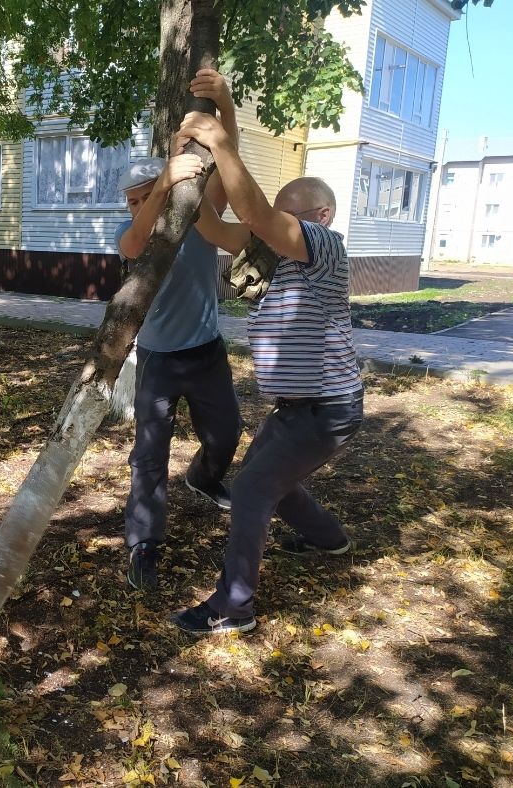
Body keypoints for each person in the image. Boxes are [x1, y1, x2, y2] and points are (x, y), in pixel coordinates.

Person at [169, 109, 364, 635]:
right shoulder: (279, 253)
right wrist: (186, 168)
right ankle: (328, 539)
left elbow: (252, 208)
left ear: (320, 216)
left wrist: (220, 137)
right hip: (300, 409)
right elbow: (212, 225)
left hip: (326, 410)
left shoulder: (325, 245)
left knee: (254, 489)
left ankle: (233, 607)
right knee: (271, 481)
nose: (270, 227)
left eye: (286, 218)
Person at [119, 69, 243, 593]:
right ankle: (143, 544)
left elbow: (227, 152)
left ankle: (205, 477)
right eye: (130, 196)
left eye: (140, 191)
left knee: (227, 434)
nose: (133, 201)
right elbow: (131, 245)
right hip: (159, 358)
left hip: (207, 350)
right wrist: (160, 187)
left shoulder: (200, 212)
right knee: (150, 452)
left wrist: (226, 103)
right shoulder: (139, 229)